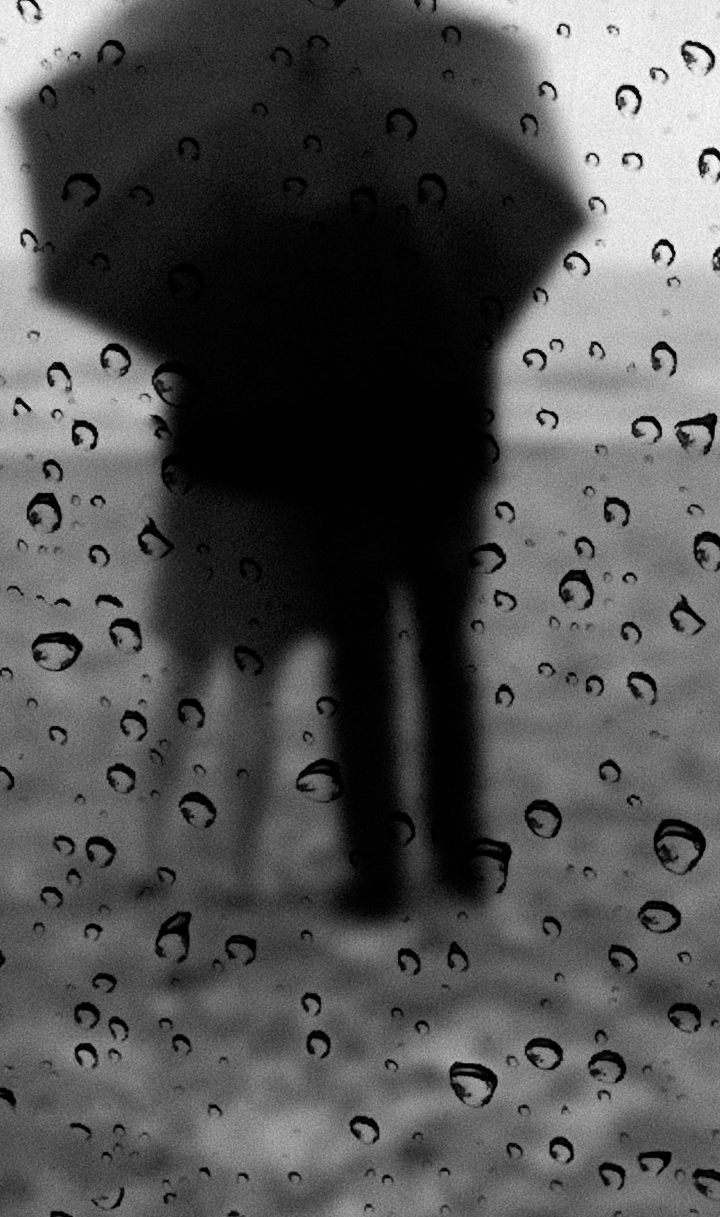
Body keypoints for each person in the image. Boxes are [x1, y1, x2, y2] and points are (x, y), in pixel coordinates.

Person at [135, 204, 496, 920]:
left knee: (338, 676)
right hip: (428, 488)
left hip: (323, 494)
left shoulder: (279, 247)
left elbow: (274, 389)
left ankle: (369, 876)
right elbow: (469, 365)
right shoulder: (459, 227)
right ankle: (452, 861)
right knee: (435, 672)